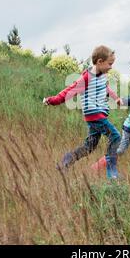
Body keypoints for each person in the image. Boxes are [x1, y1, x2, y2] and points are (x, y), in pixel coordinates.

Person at [43, 46, 123, 179]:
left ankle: (66, 162)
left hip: (98, 115)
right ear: (99, 61)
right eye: (110, 64)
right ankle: (112, 172)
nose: (111, 67)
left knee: (90, 146)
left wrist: (116, 99)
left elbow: (106, 88)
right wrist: (52, 100)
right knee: (115, 137)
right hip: (95, 115)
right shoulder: (87, 77)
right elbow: (69, 91)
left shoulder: (102, 76)